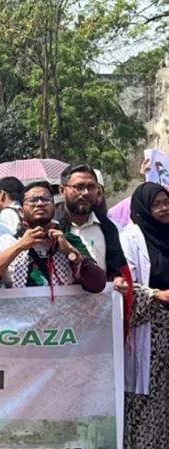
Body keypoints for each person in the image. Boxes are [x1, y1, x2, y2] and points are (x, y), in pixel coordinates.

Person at [0, 181, 106, 292]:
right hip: (20, 312)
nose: (39, 204)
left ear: (54, 208)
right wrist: (20, 246)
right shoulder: (8, 241)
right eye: (32, 200)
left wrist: (70, 252)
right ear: (21, 212)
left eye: (45, 199)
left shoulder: (69, 240)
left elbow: (98, 284)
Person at [120, 182, 169, 449]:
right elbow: (125, 285)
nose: (163, 209)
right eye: (156, 204)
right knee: (149, 403)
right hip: (151, 332)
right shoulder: (130, 238)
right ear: (143, 208)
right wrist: (155, 295)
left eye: (166, 203)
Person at [55, 164, 129, 285]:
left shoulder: (108, 228)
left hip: (99, 295)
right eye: (79, 187)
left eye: (91, 187)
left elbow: (116, 270)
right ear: (62, 190)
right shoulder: (52, 225)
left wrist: (118, 280)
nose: (85, 193)